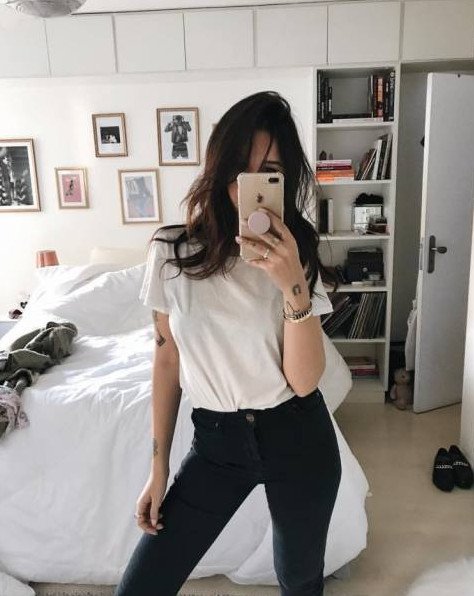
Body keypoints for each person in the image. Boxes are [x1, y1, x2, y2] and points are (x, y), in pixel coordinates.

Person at [114, 90, 342, 596]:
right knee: (141, 587)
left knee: (299, 580)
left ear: (287, 180)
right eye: (241, 167)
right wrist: (158, 468)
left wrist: (292, 283)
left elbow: (305, 382)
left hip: (299, 437)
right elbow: (166, 359)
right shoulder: (172, 252)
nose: (250, 184)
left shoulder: (296, 252)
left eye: (270, 171)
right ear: (219, 170)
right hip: (217, 443)